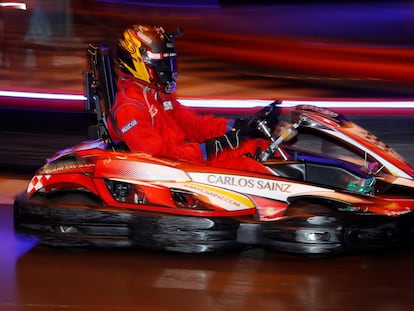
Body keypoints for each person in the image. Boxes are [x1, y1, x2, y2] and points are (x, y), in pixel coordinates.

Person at [107, 24, 278, 174]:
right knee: (251, 169)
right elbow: (158, 159)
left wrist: (238, 127)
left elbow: (192, 124)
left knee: (261, 148)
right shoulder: (129, 108)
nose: (168, 70)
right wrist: (212, 147)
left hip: (190, 158)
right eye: (163, 64)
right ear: (137, 62)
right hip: (175, 171)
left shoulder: (157, 94)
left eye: (170, 63)